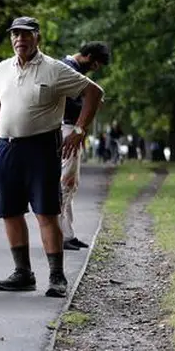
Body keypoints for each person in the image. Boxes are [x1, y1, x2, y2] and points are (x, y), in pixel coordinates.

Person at [0, 16, 103, 297]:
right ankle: (23, 273)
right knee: (10, 211)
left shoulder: (54, 69)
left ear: (37, 37)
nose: (20, 40)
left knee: (46, 212)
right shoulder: (2, 68)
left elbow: (93, 92)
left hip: (41, 148)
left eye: (26, 35)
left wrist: (79, 129)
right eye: (15, 35)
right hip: (7, 148)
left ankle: (57, 276)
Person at [59, 41, 110, 251]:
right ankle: (59, 234)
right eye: (96, 63)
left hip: (73, 129)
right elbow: (68, 103)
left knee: (71, 183)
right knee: (65, 181)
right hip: (68, 129)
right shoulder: (69, 70)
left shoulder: (73, 70)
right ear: (88, 56)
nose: (96, 68)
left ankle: (67, 233)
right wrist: (91, 103)